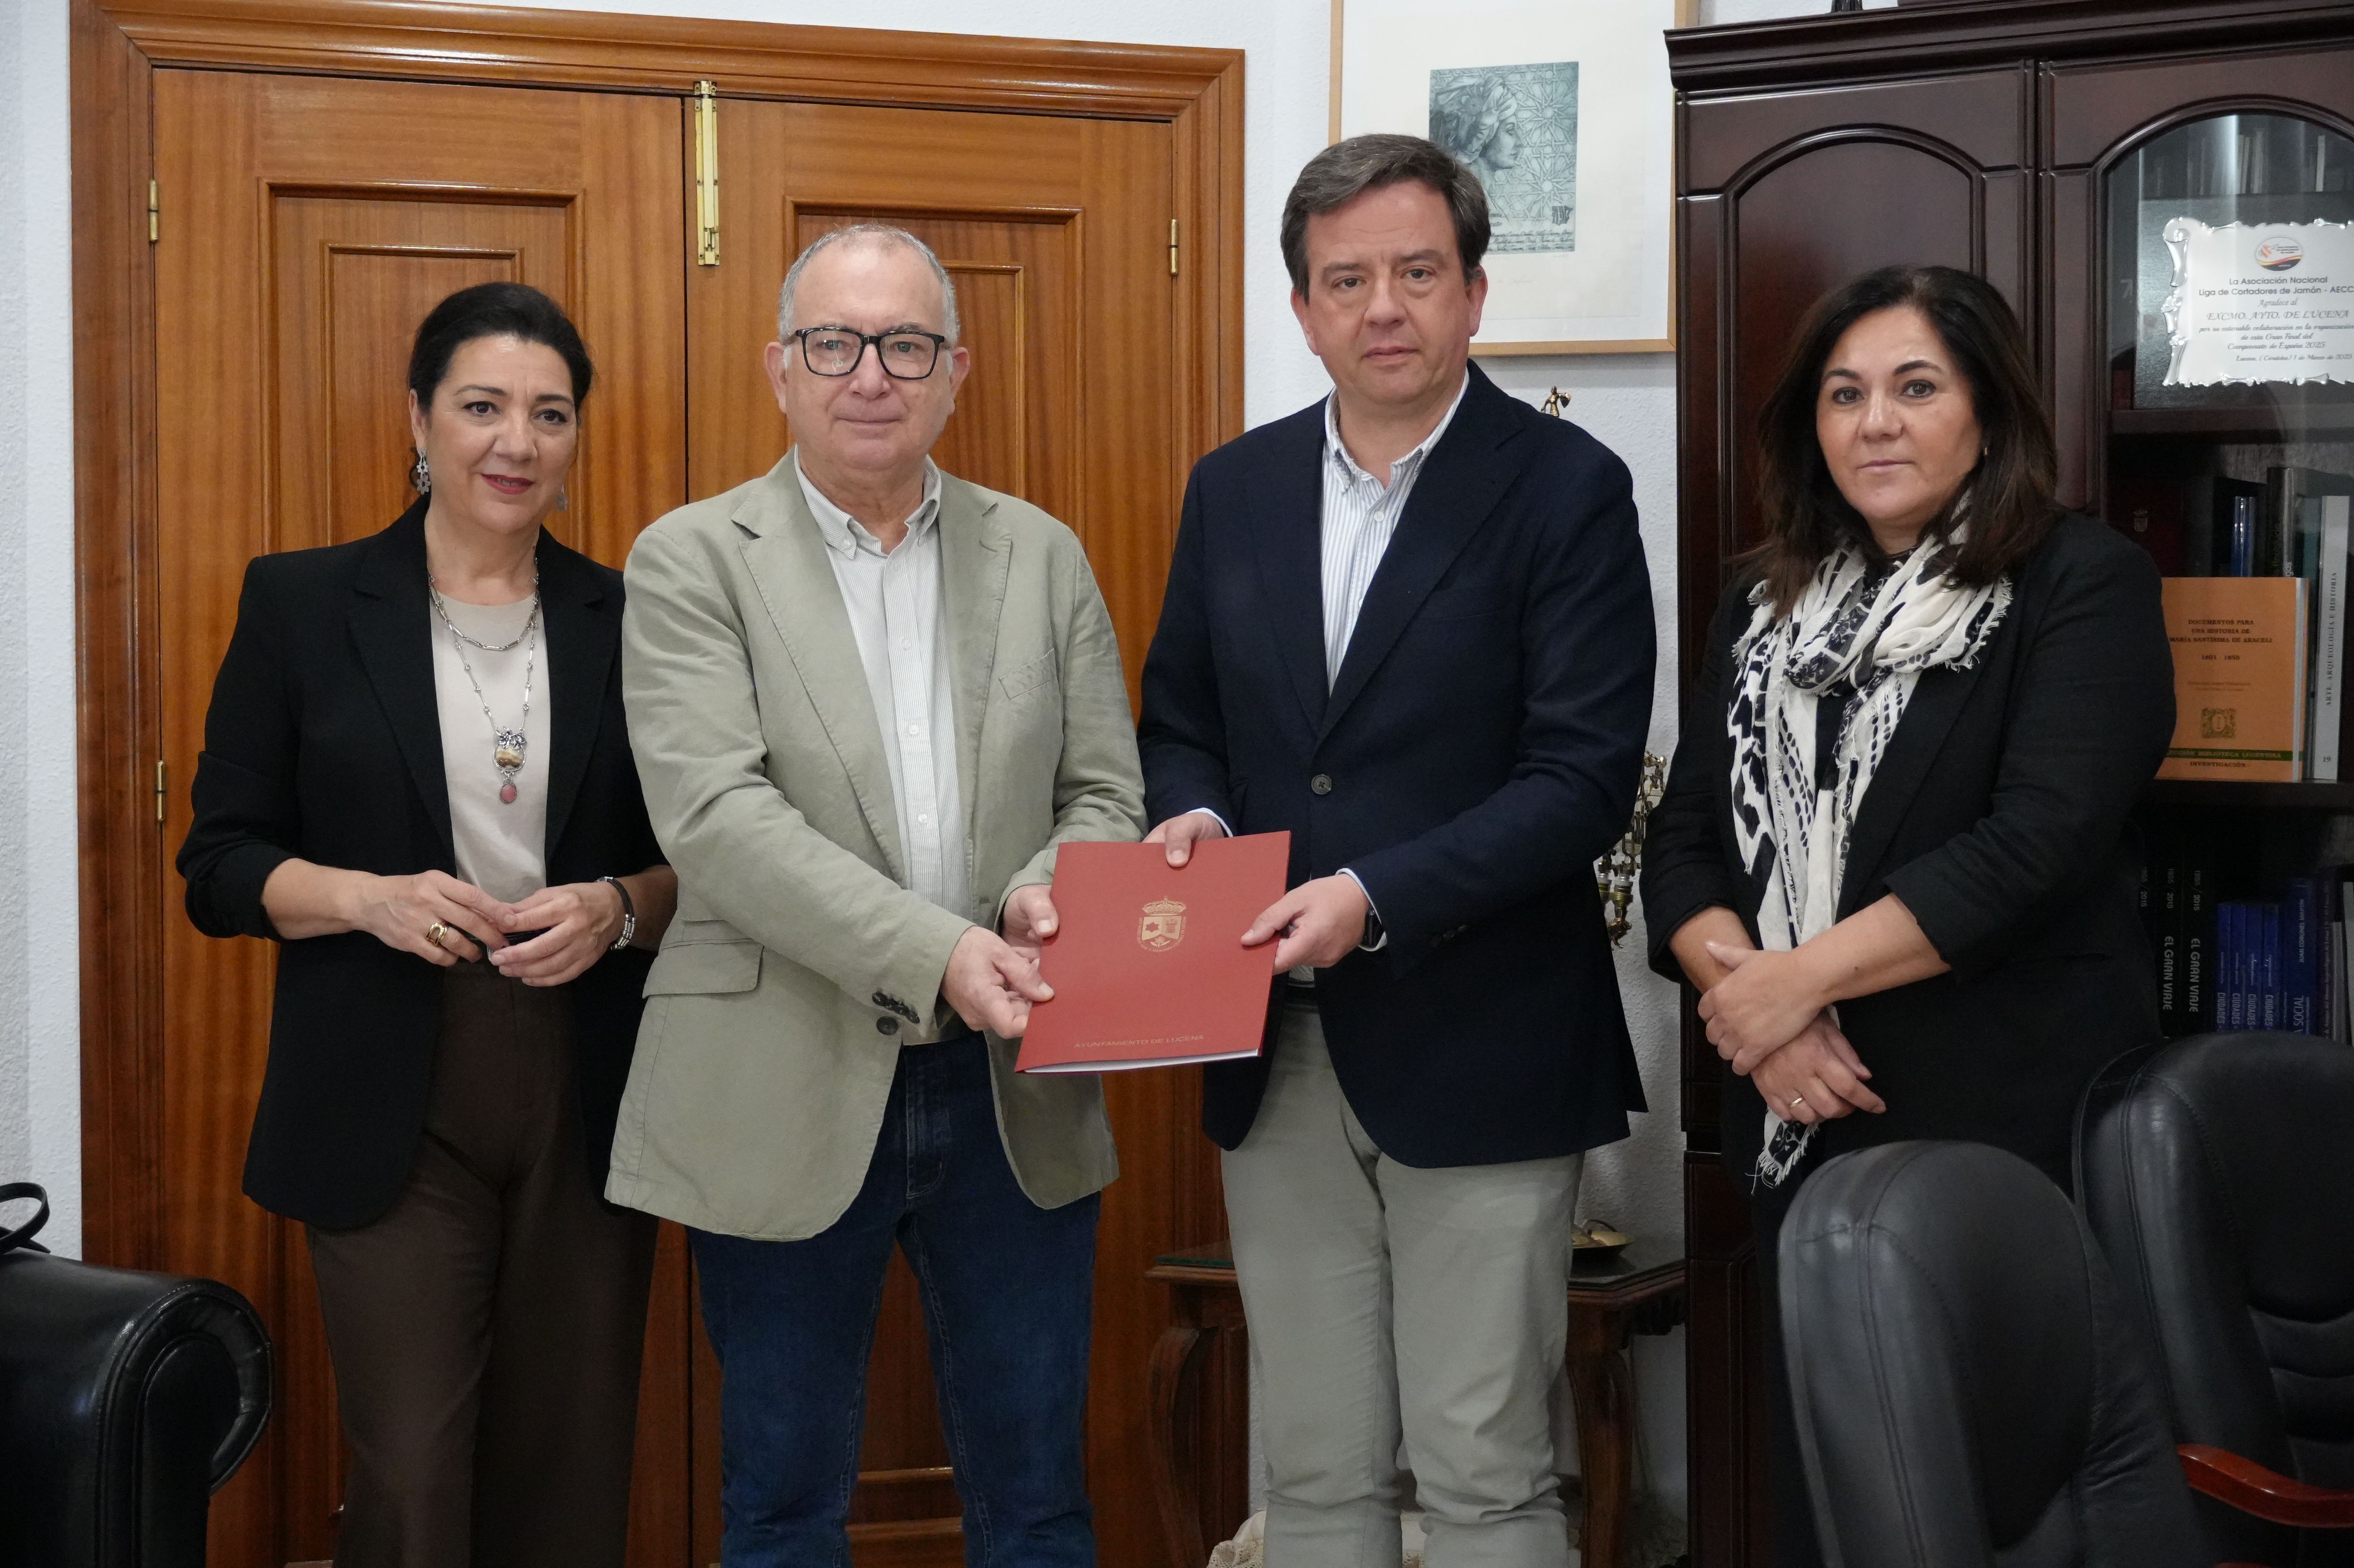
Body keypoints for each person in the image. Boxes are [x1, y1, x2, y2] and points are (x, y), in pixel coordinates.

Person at [1136, 135, 1655, 1567]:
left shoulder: (1564, 489)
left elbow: (1580, 782)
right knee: (1309, 1468)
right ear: (1301, 309)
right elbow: (1178, 717)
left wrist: (1373, 898)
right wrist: (1184, 816)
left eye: (1417, 273)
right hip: (1271, 1045)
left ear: (1475, 293)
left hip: (1483, 1040)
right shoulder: (1232, 488)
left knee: (1485, 1468)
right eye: (1345, 279)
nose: (1383, 307)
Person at [607, 223, 1145, 1568]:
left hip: (1013, 1081)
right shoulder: (690, 559)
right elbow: (717, 820)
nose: (870, 374)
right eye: (833, 343)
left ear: (954, 369)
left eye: (905, 344)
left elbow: (1103, 796)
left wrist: (1030, 902)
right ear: (779, 368)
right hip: (776, 1077)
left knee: (1037, 1501)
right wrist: (943, 950)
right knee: (783, 1506)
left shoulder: (1042, 554)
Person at [1639, 263, 2175, 1567]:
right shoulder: (1759, 608)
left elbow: (2032, 843)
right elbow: (1683, 846)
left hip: (2008, 1126)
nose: (1874, 421)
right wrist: (1757, 1015)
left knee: (2005, 1505)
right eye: (1843, 394)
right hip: (1797, 1116)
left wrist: (1793, 979)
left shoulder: (2076, 583)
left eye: (1914, 387)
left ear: (1986, 414)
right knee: (1836, 1506)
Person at [177, 281, 679, 1568]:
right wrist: (368, 897)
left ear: (576, 439)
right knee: (409, 1465)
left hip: (587, 1078)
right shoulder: (302, 604)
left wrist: (621, 908)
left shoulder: (638, 619)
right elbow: (219, 865)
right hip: (385, 1081)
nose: (516, 440)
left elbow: (718, 857)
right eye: (482, 406)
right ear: (420, 418)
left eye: (550, 413)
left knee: (569, 1458)